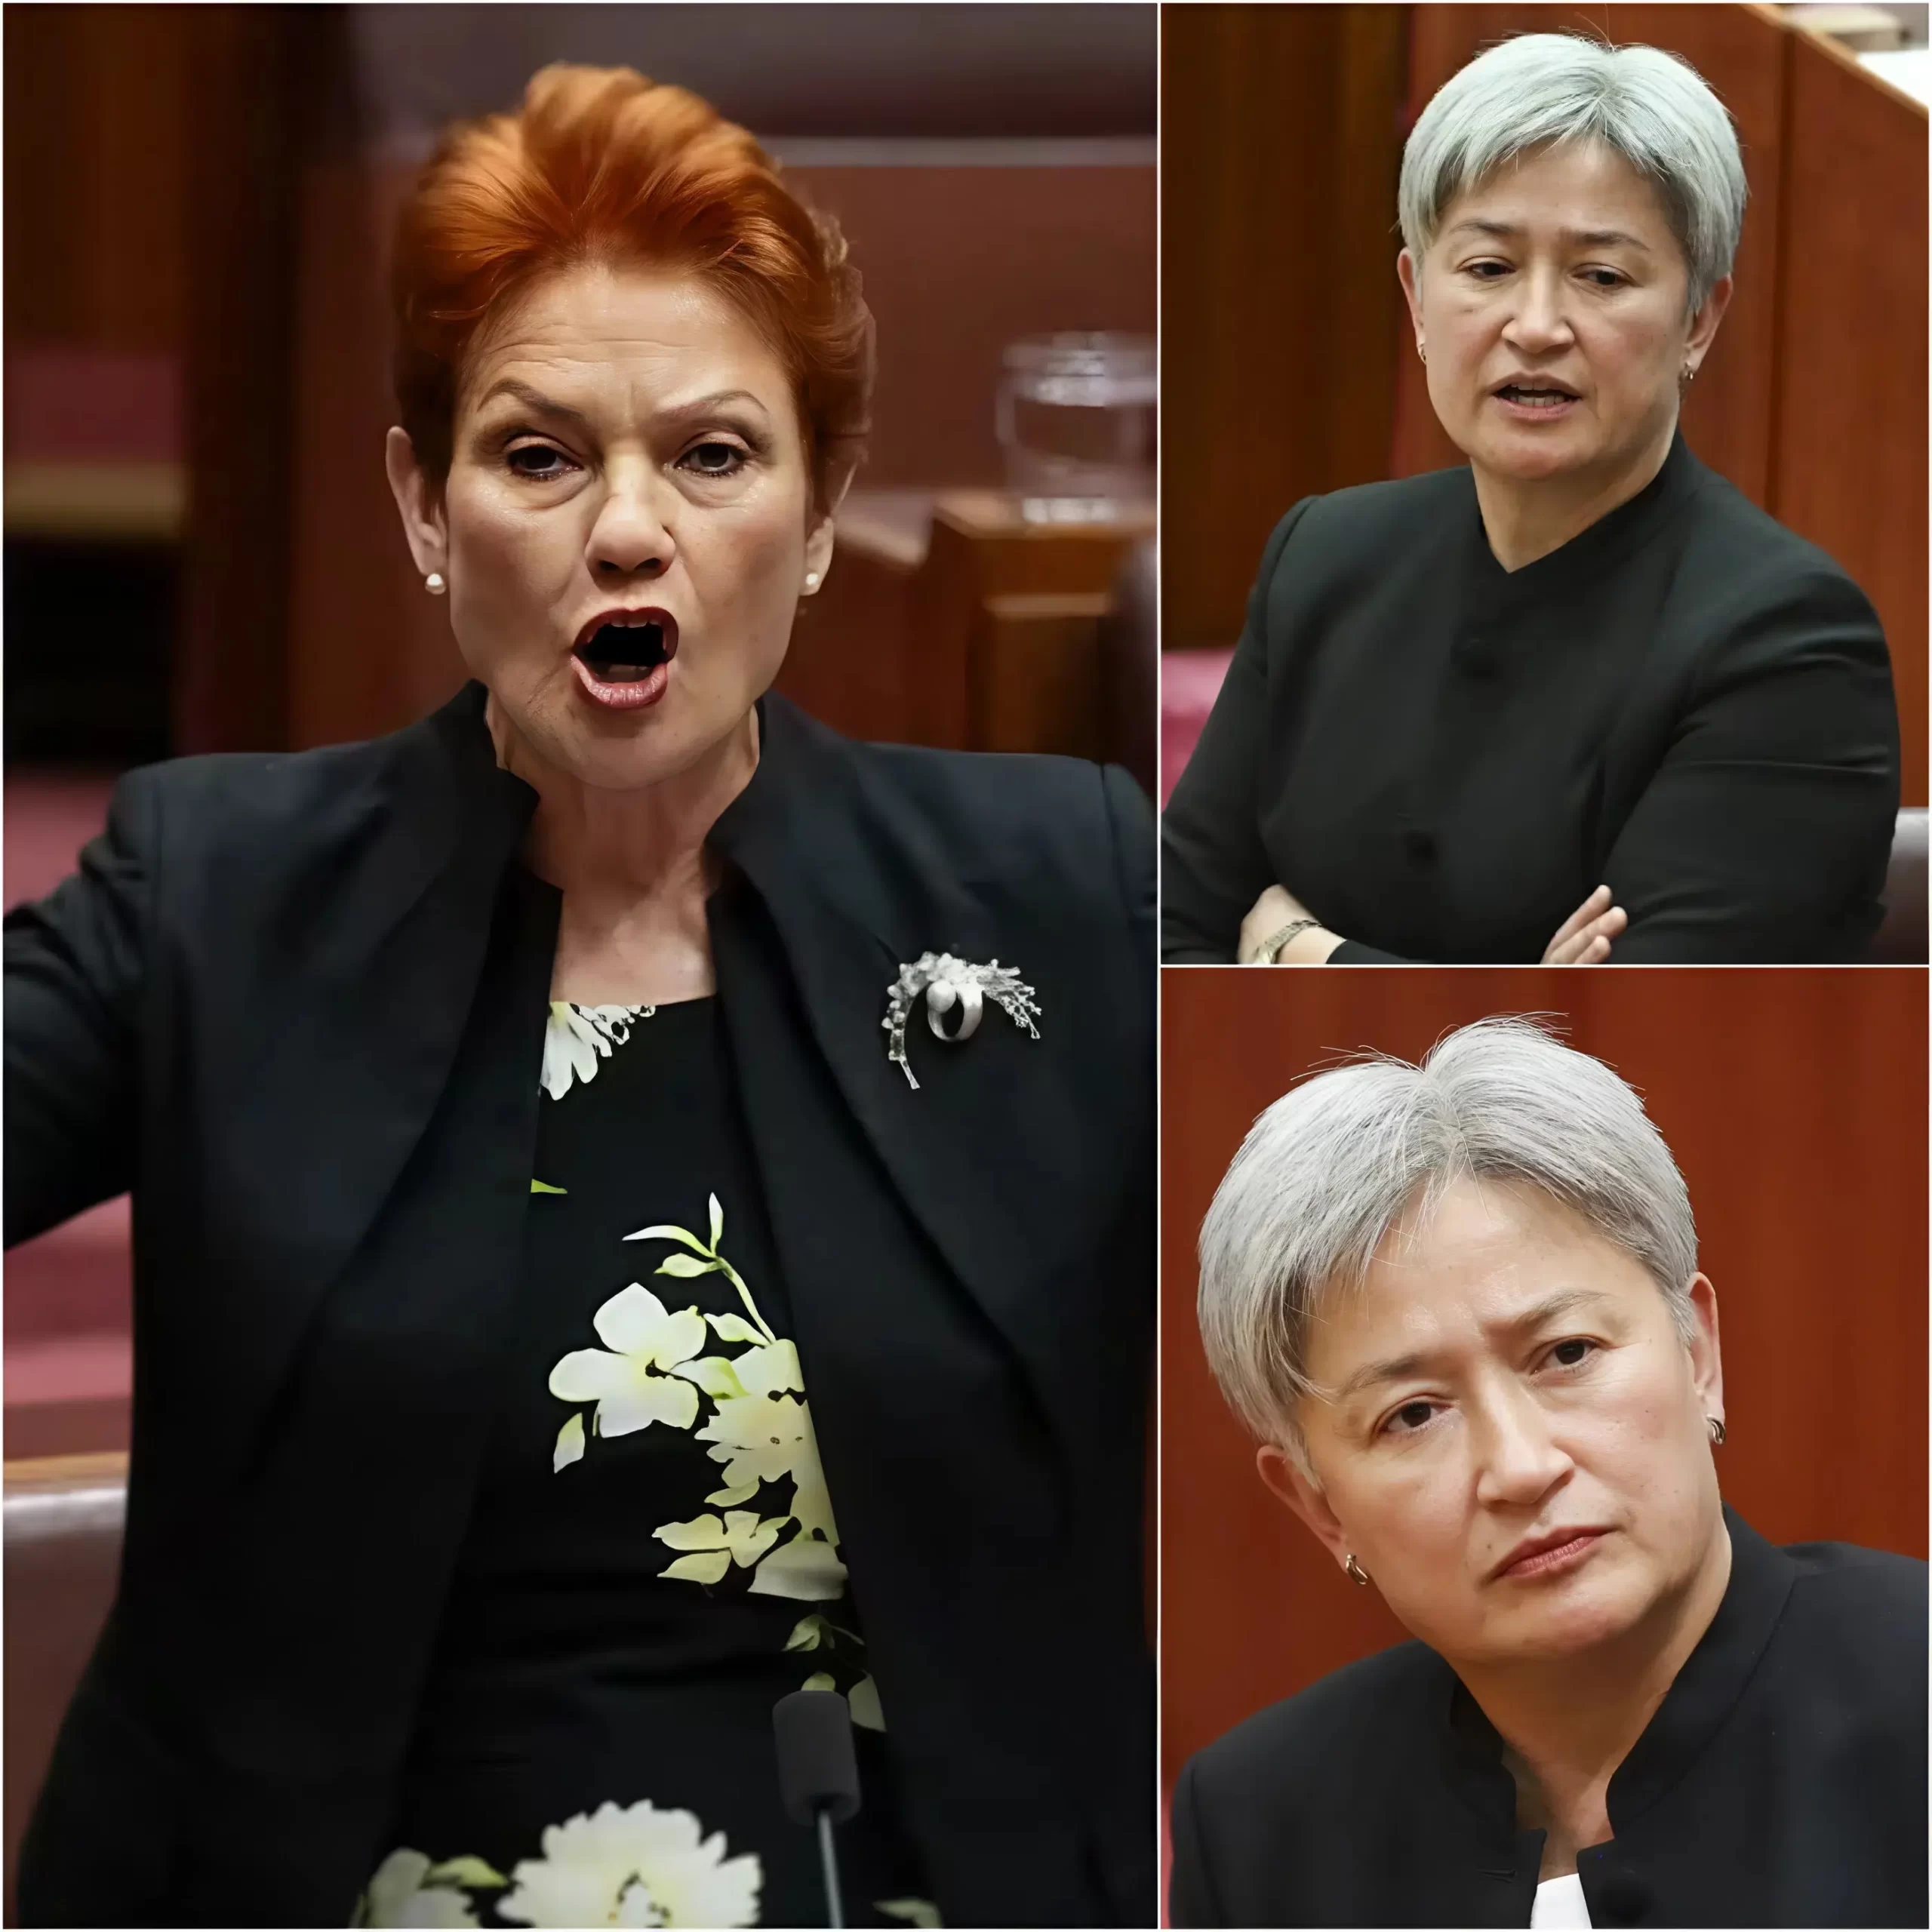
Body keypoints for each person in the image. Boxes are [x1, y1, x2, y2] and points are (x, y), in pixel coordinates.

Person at [5, 66, 1154, 1930]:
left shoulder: (1055, 887)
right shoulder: (220, 891)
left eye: (711, 455)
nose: (629, 530)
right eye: (540, 456)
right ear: (424, 503)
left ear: (822, 502)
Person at [1168, 1017, 1927, 1927]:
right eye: (1411, 1414)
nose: (1519, 1468)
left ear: (1698, 1358)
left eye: (1566, 1353)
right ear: (1321, 1509)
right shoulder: (1260, 1822)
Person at [1161, 33, 1900, 965]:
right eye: (1487, 268)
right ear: (1418, 302)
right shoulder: (1325, 555)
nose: (1537, 326)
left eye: (1601, 276)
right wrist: (1518, 1006)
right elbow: (1167, 935)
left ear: (1699, 320)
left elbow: (1631, 1059)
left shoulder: (1787, 644)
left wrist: (1295, 948)